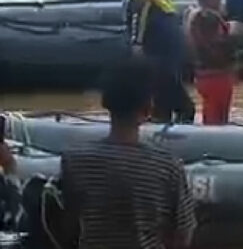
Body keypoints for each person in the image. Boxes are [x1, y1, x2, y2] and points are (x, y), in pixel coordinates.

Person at [61, 59, 196, 249]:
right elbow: (182, 236)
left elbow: (68, 226)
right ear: (148, 109)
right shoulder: (167, 167)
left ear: (106, 104)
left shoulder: (74, 161)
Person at [125, 0, 194, 123]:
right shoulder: (142, 1)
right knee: (186, 108)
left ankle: (162, 129)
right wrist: (137, 46)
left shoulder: (161, 3)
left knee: (164, 106)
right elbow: (137, 25)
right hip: (158, 64)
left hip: (169, 64)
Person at [187, 0, 235, 125]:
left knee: (213, 114)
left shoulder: (193, 13)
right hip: (216, 75)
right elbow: (216, 46)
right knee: (216, 119)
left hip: (204, 74)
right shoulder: (206, 17)